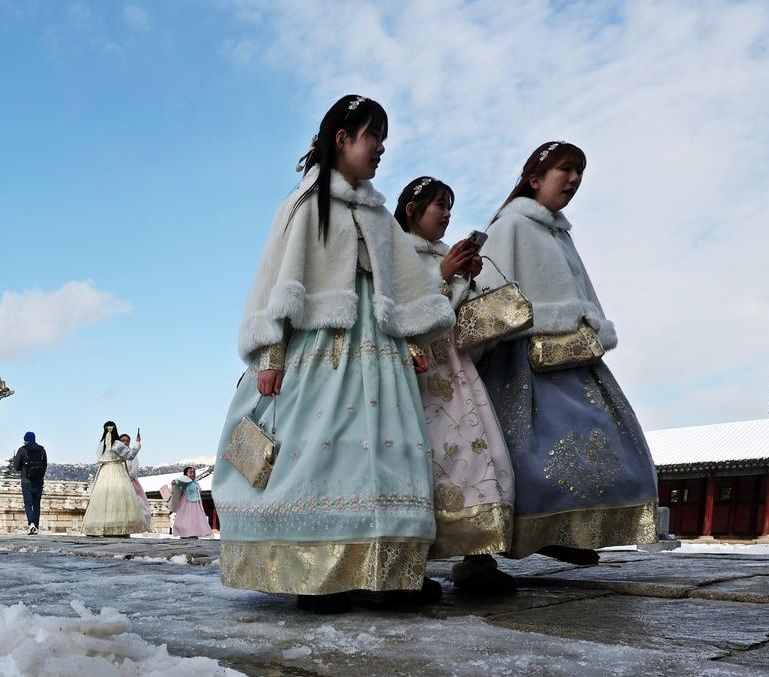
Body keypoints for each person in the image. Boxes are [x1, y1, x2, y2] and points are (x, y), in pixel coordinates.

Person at [212, 95, 455, 614]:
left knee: (387, 453)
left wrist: (413, 338)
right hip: (322, 351)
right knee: (324, 453)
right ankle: (318, 572)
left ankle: (387, 571)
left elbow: (402, 285)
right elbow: (277, 284)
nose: (381, 148)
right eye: (373, 136)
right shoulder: (304, 205)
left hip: (380, 352)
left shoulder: (378, 213)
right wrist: (271, 354)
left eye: (384, 138)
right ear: (342, 139)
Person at [475, 142, 658, 562]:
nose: (574, 180)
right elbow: (487, 295)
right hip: (521, 361)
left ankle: (564, 531)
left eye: (579, 172)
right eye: (565, 170)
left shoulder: (559, 233)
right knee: (518, 454)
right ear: (535, 179)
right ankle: (486, 556)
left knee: (602, 444)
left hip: (574, 357)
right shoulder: (511, 228)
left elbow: (582, 293)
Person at [396, 175, 517, 595]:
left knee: (477, 453)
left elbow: (453, 314)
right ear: (412, 210)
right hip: (419, 371)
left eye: (450, 207)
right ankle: (412, 565)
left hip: (456, 368)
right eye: (439, 206)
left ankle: (478, 557)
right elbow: (404, 313)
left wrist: (466, 279)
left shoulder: (444, 254)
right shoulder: (395, 254)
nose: (447, 215)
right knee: (424, 464)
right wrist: (443, 277)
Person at [83, 421, 146, 537]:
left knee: (103, 499)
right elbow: (130, 455)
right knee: (119, 498)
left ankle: (103, 526)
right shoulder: (117, 444)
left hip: (104, 472)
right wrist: (137, 443)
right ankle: (119, 526)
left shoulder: (101, 445)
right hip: (117, 471)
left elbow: (99, 458)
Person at [13, 431, 47, 535]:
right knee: (36, 504)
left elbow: (16, 467)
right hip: (38, 481)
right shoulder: (42, 450)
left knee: (28, 504)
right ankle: (36, 527)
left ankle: (31, 523)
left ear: (25, 440)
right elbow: (45, 465)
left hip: (26, 481)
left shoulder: (22, 450)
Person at [118, 429, 152, 532]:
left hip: (130, 483)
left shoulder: (133, 456)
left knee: (137, 505)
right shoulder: (117, 455)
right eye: (122, 440)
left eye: (127, 441)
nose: (125, 442)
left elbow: (134, 471)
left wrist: (125, 477)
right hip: (118, 483)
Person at [165, 467, 213, 538]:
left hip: (196, 504)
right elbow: (179, 482)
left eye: (194, 473)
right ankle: (185, 533)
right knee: (186, 519)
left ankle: (194, 533)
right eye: (190, 473)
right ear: (185, 475)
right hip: (186, 504)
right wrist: (175, 482)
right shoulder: (185, 482)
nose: (192, 474)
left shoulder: (196, 483)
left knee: (196, 519)